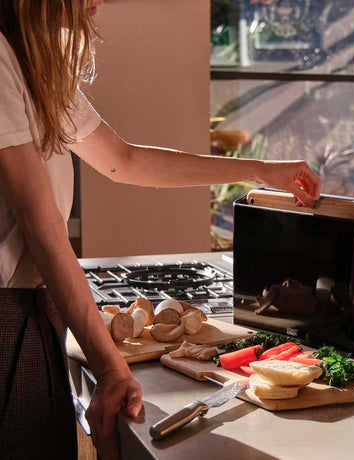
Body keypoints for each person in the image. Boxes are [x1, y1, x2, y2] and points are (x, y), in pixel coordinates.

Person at [0, 1, 321, 459]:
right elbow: (44, 231)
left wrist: (262, 171)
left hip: (33, 312)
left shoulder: (33, 64)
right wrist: (111, 368)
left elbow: (123, 159)